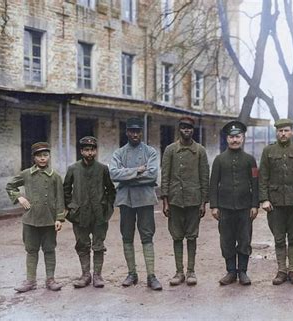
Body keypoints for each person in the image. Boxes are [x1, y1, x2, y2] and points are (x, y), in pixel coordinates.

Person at [109, 117, 162, 290]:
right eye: (131, 131)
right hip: (126, 200)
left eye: (137, 131)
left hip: (145, 199)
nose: (134, 134)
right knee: (127, 236)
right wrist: (137, 171)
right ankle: (132, 273)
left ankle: (151, 276)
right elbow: (114, 174)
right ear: (126, 133)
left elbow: (152, 175)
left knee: (147, 236)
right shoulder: (119, 153)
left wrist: (128, 177)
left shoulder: (150, 152)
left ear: (141, 133)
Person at [6, 142, 64, 292]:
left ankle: (50, 280)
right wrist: (19, 197)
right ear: (34, 158)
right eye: (39, 155)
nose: (43, 158)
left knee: (49, 250)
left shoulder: (55, 176)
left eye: (45, 155)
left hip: (49, 220)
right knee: (31, 250)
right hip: (30, 220)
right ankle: (30, 281)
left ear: (49, 156)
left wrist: (59, 218)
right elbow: (10, 186)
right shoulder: (26, 174)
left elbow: (60, 199)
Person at [259, 118, 293, 285]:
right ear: (276, 132)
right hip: (275, 202)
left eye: (286, 130)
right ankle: (281, 270)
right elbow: (263, 177)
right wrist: (264, 199)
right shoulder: (268, 151)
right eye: (280, 131)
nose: (283, 133)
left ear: (292, 132)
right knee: (279, 238)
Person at [161, 117, 209, 286]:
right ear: (179, 129)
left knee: (192, 236)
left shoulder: (200, 151)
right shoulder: (170, 150)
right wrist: (165, 202)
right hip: (174, 201)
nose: (186, 130)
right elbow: (165, 177)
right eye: (183, 128)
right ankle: (179, 271)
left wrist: (203, 202)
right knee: (176, 237)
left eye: (189, 128)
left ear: (193, 130)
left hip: (193, 201)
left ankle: (191, 271)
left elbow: (205, 178)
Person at [209, 121, 259, 286]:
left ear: (243, 138)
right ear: (227, 139)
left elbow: (255, 183)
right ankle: (231, 271)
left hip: (245, 208)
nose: (235, 140)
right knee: (227, 240)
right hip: (225, 208)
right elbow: (213, 184)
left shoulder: (250, 160)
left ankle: (243, 272)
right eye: (231, 137)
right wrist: (214, 206)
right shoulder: (219, 160)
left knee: (244, 240)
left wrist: (254, 205)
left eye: (238, 136)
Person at [63, 136, 116, 288]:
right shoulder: (73, 169)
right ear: (81, 151)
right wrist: (71, 207)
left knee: (98, 245)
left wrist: (107, 208)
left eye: (92, 150)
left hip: (99, 214)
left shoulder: (102, 169)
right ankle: (85, 275)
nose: (90, 153)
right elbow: (65, 190)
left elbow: (111, 190)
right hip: (80, 215)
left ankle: (97, 275)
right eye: (86, 150)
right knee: (82, 244)